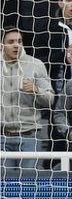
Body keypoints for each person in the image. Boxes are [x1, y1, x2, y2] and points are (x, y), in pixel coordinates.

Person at [1, 26, 54, 169]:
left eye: (19, 41)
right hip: (1, 138)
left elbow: (50, 99)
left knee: (29, 185)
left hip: (30, 136)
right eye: (11, 41)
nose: (16, 45)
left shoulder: (36, 65)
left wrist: (35, 90)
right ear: (2, 45)